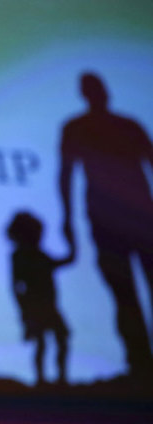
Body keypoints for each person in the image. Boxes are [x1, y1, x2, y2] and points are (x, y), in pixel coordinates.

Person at [59, 72, 153, 384]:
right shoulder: (76, 128)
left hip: (141, 219)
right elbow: (66, 175)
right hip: (106, 222)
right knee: (124, 296)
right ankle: (140, 365)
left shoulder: (128, 126)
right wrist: (67, 221)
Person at [6, 211, 73, 385]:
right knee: (42, 343)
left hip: (49, 305)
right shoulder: (20, 257)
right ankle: (42, 379)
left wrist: (70, 235)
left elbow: (66, 260)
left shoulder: (40, 255)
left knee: (60, 339)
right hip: (35, 307)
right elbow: (16, 285)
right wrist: (24, 310)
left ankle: (61, 378)